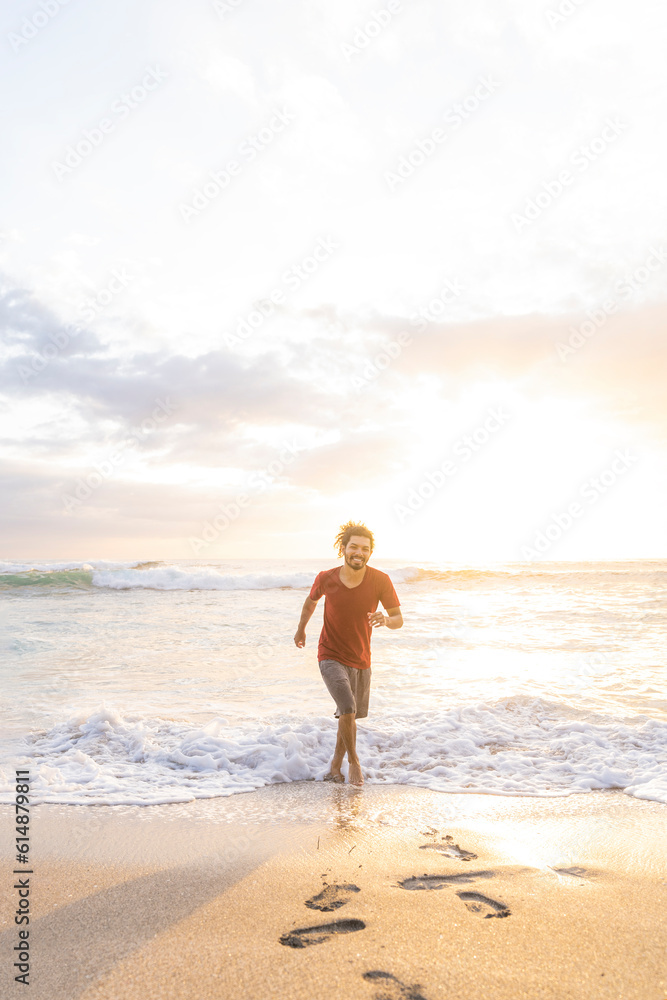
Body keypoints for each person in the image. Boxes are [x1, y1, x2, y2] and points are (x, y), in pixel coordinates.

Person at [294, 521, 403, 786]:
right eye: (353, 546)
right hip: (329, 653)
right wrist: (301, 630)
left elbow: (398, 618)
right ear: (343, 548)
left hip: (361, 659)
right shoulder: (326, 578)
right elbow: (311, 602)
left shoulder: (380, 580)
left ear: (370, 553)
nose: (359, 552)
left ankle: (334, 767)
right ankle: (354, 764)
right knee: (347, 707)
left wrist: (385, 620)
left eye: (365, 549)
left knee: (349, 715)